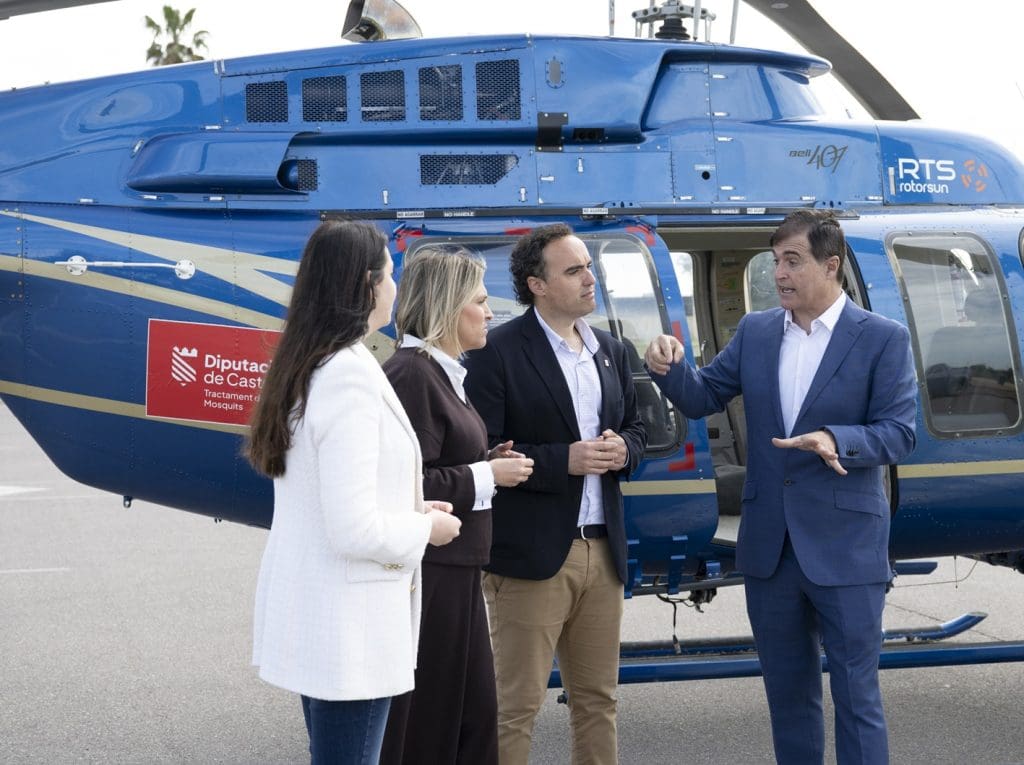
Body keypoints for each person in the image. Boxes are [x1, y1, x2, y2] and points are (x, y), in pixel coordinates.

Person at [644, 209, 917, 765]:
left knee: (857, 698)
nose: (780, 274)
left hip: (846, 547)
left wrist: (836, 439)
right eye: (775, 262)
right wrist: (667, 368)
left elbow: (900, 433)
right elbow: (701, 396)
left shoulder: (882, 338)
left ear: (831, 265)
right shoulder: (757, 331)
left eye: (793, 261)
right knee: (788, 700)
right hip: (771, 548)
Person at [246, 221, 462, 765]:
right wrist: (427, 528)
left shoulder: (320, 362)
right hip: (351, 629)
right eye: (390, 274)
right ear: (367, 285)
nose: (396, 287)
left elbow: (331, 493)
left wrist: (410, 505)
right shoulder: (345, 374)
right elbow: (353, 529)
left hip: (329, 618)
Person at [463, 223, 647, 765]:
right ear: (536, 285)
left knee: (598, 701)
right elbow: (481, 450)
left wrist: (625, 449)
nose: (591, 278)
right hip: (532, 556)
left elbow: (638, 427)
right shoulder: (496, 351)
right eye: (574, 270)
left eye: (589, 266)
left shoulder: (611, 349)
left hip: (603, 551)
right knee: (514, 706)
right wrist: (561, 461)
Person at [379, 245, 535, 765]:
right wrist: (486, 474)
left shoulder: (438, 371)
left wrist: (484, 462)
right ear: (448, 305)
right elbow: (406, 482)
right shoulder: (413, 374)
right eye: (481, 301)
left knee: (469, 717)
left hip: (456, 567)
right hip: (433, 572)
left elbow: (434, 461)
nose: (490, 313)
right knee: (437, 720)